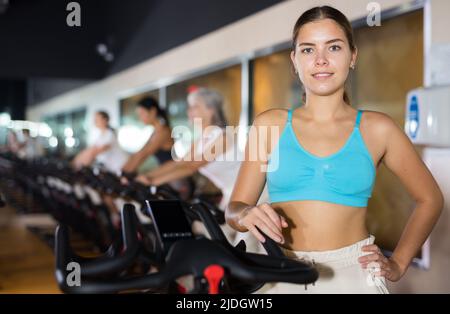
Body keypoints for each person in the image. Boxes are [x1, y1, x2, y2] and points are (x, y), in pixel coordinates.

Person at [225, 6, 443, 294]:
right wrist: (245, 215)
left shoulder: (378, 129)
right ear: (294, 60)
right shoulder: (270, 125)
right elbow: (234, 209)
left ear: (352, 56)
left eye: (334, 47)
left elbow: (431, 198)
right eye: (307, 50)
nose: (320, 60)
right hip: (281, 272)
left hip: (353, 275)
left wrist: (399, 263)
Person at [121, 96, 173, 174]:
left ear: (153, 111)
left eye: (142, 113)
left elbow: (143, 155)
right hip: (165, 174)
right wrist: (122, 170)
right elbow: (140, 152)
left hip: (173, 179)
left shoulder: (163, 132)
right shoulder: (156, 131)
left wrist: (124, 173)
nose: (140, 118)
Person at [73, 111, 128, 175]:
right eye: (94, 119)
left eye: (97, 119)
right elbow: (90, 150)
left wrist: (77, 166)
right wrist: (74, 161)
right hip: (111, 168)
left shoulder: (110, 134)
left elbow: (94, 152)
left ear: (105, 120)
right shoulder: (101, 136)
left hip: (120, 167)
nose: (94, 121)